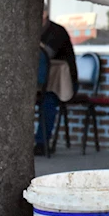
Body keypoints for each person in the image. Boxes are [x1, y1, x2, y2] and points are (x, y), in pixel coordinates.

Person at [36, 10, 77, 155]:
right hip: (37, 83)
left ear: (44, 13)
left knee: (49, 98)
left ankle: (42, 143)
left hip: (63, 82)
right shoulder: (31, 29)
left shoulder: (57, 31)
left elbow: (47, 54)